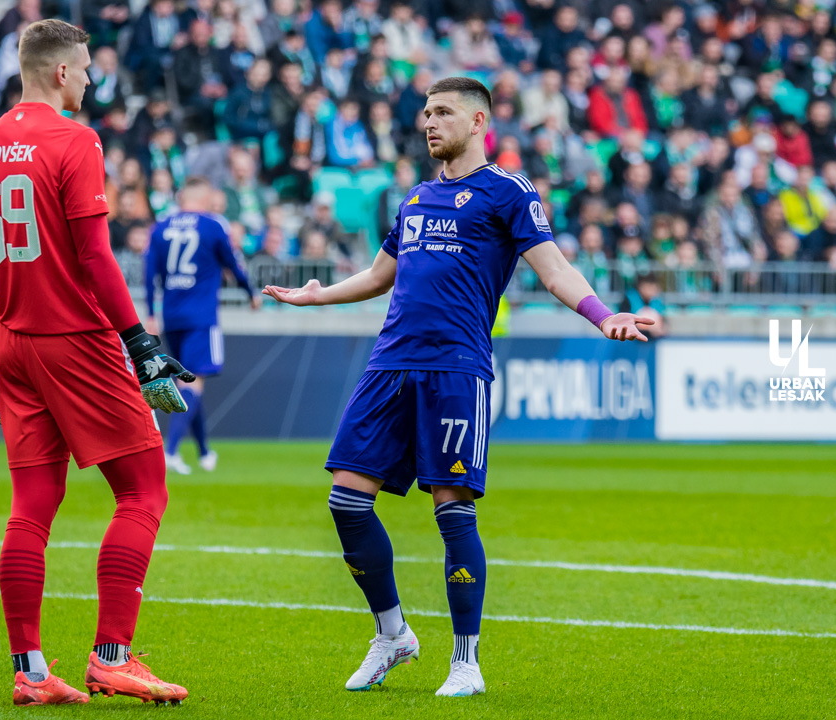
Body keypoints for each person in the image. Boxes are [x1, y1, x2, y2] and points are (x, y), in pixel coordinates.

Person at [263, 76, 653, 698]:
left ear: (478, 123)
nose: (428, 123)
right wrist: (319, 296)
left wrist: (603, 315)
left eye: (442, 112)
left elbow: (554, 269)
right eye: (425, 113)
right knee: (346, 502)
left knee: (452, 510)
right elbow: (380, 275)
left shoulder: (508, 190)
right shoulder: (416, 197)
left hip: (456, 368)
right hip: (389, 363)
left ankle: (465, 662)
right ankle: (392, 634)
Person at [0, 19, 194, 707]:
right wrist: (139, 340)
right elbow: (94, 256)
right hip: (77, 340)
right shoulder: (75, 140)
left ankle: (31, 673)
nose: (89, 80)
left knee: (31, 506)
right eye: (85, 69)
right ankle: (112, 657)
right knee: (143, 490)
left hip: (12, 342)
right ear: (61, 71)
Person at [145, 176, 259, 474]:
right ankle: (170, 451)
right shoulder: (212, 225)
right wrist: (251, 293)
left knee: (188, 381)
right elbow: (232, 264)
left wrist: (151, 313)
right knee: (193, 383)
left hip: (172, 316)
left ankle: (205, 452)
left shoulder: (160, 227)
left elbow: (149, 271)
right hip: (201, 317)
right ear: (203, 197)